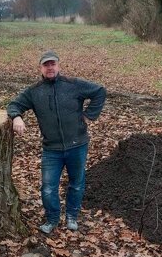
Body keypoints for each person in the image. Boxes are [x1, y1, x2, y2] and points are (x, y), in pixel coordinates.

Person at [7, 50, 106, 234]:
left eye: (53, 64)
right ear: (41, 68)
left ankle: (71, 217)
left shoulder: (73, 85)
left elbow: (100, 91)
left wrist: (89, 115)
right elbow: (14, 105)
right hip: (51, 149)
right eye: (46, 65)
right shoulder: (34, 92)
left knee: (76, 183)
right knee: (48, 188)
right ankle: (52, 219)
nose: (50, 67)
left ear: (58, 66)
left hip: (78, 144)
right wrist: (16, 117)